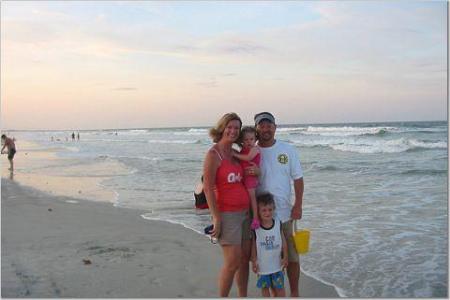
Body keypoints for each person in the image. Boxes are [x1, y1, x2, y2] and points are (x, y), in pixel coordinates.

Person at [242, 111, 304, 297]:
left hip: (284, 214)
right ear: (256, 129)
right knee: (264, 257)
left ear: (275, 128)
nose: (266, 128)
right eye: (262, 125)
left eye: (269, 125)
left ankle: (294, 293)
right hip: (260, 216)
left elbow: (298, 179)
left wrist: (298, 204)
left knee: (291, 257)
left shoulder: (288, 150)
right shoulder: (252, 151)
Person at [203, 112, 250, 297]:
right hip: (227, 214)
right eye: (229, 127)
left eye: (236, 128)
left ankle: (242, 296)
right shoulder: (213, 154)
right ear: (222, 128)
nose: (233, 131)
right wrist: (216, 218)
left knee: (244, 260)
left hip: (245, 213)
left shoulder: (235, 154)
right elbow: (207, 188)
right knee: (232, 263)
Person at [251, 193, 288, 297]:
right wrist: (254, 261)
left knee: (280, 288)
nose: (267, 213)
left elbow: (283, 242)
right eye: (264, 210)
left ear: (274, 209)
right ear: (258, 211)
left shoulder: (278, 223)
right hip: (262, 266)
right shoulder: (256, 228)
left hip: (277, 265)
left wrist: (285, 257)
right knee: (265, 288)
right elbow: (253, 246)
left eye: (270, 209)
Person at [232, 126, 261, 230]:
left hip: (251, 177)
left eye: (252, 139)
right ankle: (248, 215)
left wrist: (235, 154)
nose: (249, 142)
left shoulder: (255, 149)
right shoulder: (242, 150)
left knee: (252, 198)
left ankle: (256, 218)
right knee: (247, 198)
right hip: (243, 177)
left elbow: (248, 158)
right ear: (242, 140)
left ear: (255, 139)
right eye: (246, 139)